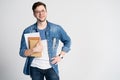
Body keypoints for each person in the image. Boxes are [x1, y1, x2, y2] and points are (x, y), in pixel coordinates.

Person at [19, 1, 71, 80]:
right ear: (34, 14)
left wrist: (61, 56)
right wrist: (33, 50)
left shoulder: (56, 29)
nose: (41, 14)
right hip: (34, 67)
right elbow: (22, 52)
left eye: (43, 11)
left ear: (46, 12)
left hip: (51, 66)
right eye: (37, 12)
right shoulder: (28, 31)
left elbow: (67, 41)